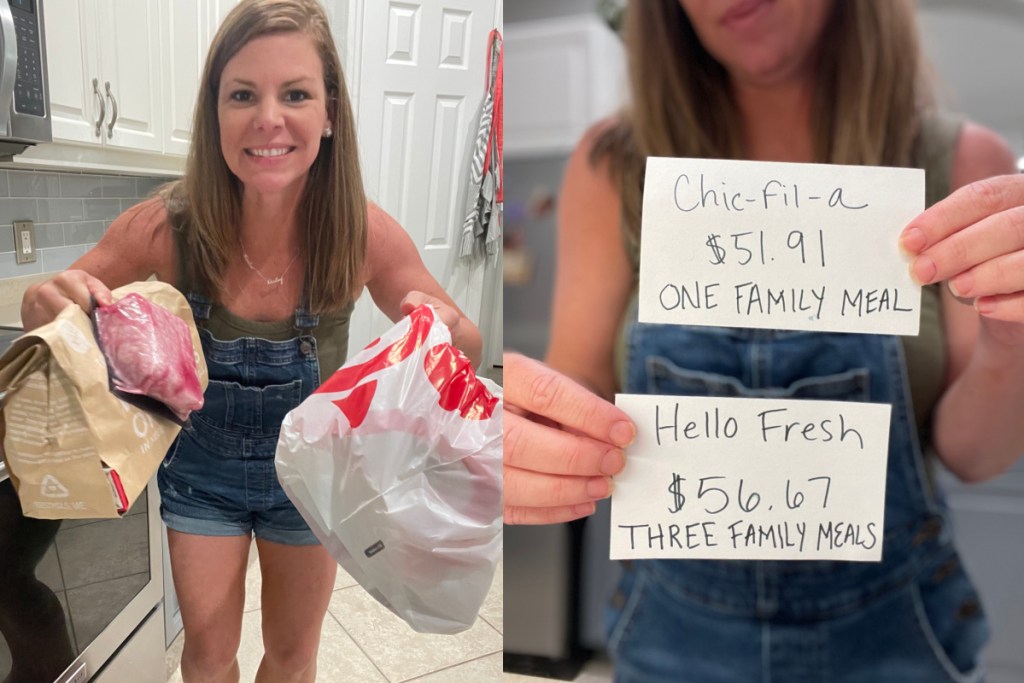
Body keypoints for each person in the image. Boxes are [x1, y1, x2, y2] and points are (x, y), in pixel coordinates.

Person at [503, 1, 1024, 681]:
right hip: (673, 638)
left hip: (899, 635)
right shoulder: (613, 166)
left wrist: (1010, 340)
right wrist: (511, 425)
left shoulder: (962, 161)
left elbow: (973, 455)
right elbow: (571, 398)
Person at [20, 1, 482, 681]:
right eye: (243, 95)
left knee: (293, 659)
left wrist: (443, 329)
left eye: (295, 93)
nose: (269, 117)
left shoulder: (362, 233)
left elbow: (464, 341)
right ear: (216, 115)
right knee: (208, 658)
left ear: (329, 115)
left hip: (313, 481)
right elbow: (45, 304)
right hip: (202, 478)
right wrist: (45, 299)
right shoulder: (164, 226)